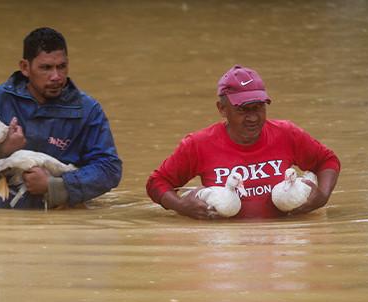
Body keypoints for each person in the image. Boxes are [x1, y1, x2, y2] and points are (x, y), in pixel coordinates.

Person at [0, 27, 122, 209]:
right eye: (46, 68)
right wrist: (1, 152)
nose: (56, 76)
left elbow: (109, 169)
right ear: (25, 67)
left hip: (60, 209)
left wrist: (55, 186)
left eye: (61, 67)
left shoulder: (87, 110)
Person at [146, 65, 340, 220]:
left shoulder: (286, 134)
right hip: (228, 249)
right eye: (243, 110)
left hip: (280, 247)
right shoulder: (198, 144)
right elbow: (157, 182)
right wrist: (181, 206)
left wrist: (322, 196)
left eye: (259, 108)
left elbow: (327, 161)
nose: (253, 118)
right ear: (222, 109)